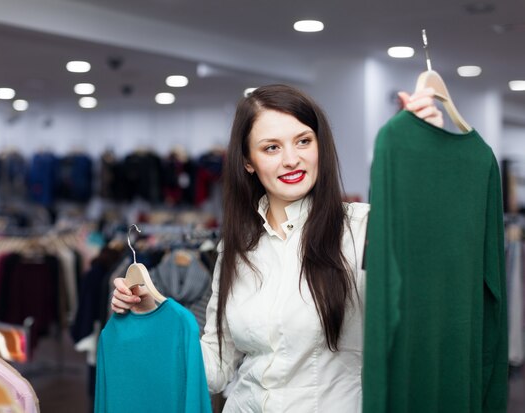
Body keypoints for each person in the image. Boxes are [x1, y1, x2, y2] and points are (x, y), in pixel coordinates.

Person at [110, 84, 443, 412]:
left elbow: (432, 263)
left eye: (303, 141)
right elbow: (215, 367)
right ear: (248, 162)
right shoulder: (235, 247)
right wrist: (153, 315)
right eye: (271, 148)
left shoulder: (365, 228)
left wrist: (426, 154)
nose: (291, 159)